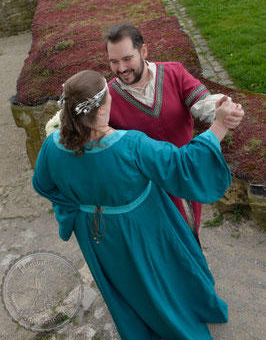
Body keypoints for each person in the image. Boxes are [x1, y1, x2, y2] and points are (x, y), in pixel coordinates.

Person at [34, 70, 241, 340]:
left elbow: (43, 184)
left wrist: (75, 208)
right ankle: (177, 321)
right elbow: (185, 164)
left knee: (124, 284)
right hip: (142, 224)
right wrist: (221, 124)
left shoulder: (51, 145)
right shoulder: (131, 145)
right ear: (104, 105)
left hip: (93, 233)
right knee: (161, 274)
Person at [105, 22, 245, 237]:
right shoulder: (108, 97)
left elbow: (204, 103)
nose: (121, 68)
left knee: (190, 232)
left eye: (127, 58)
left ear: (143, 51)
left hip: (186, 174)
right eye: (114, 61)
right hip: (147, 190)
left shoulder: (173, 72)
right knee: (164, 243)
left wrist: (223, 111)